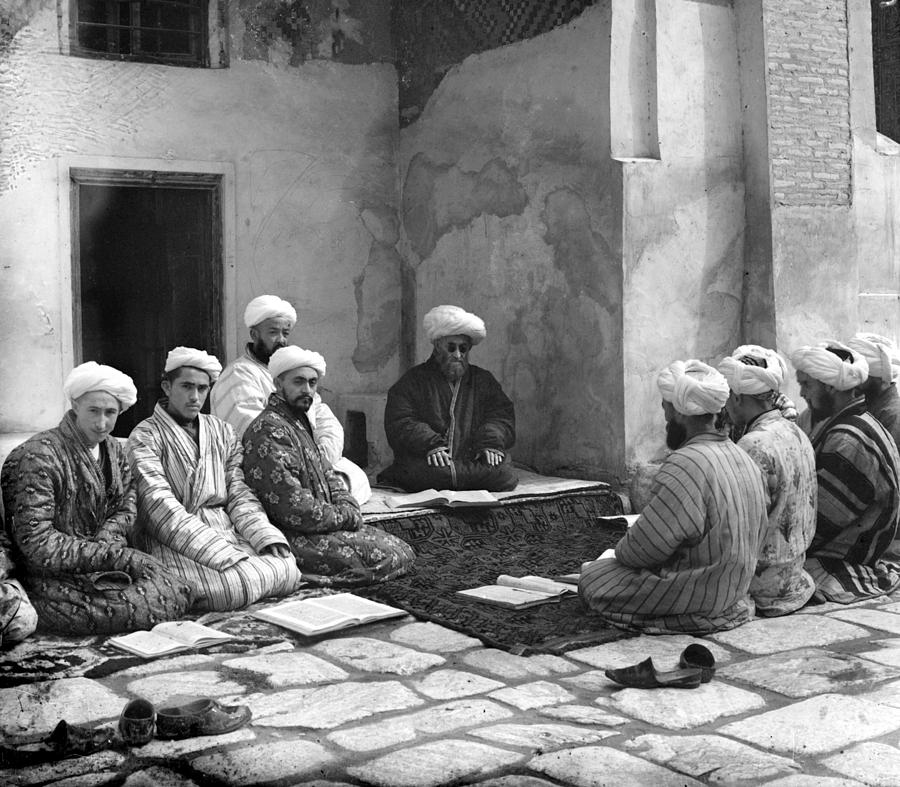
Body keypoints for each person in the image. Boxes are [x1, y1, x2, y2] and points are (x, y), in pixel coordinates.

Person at [0, 362, 192, 634]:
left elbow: (126, 505)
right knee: (133, 605)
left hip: (103, 558)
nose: (102, 423)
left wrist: (107, 543)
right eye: (93, 411)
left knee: (171, 585)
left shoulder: (113, 449)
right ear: (75, 405)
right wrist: (110, 556)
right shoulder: (37, 456)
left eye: (110, 413)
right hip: (50, 574)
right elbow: (37, 542)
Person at [579, 360, 767, 634]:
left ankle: (683, 616)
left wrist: (616, 556)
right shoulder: (741, 454)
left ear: (680, 413)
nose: (664, 416)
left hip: (701, 591)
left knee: (594, 578)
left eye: (666, 407)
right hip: (735, 587)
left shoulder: (685, 462)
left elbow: (641, 550)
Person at [127, 347, 301, 612]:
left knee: (287, 566)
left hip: (225, 528)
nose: (195, 397)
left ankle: (244, 567)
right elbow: (157, 505)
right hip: (174, 538)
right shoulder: (145, 436)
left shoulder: (222, 431)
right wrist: (214, 550)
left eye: (203, 388)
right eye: (186, 386)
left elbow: (239, 491)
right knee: (231, 587)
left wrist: (263, 535)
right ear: (167, 386)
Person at [243, 346, 415, 586]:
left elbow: (328, 474)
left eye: (313, 383)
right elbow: (292, 507)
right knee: (388, 556)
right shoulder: (268, 430)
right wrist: (345, 516)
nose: (307, 390)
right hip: (294, 534)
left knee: (402, 550)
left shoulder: (297, 422)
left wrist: (347, 506)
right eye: (299, 382)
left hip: (322, 524)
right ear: (278, 383)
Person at [211, 295, 370, 504]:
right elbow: (254, 434)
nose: (281, 340)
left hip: (308, 460)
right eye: (273, 332)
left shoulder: (291, 371)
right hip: (266, 464)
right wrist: (303, 460)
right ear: (254, 334)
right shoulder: (239, 374)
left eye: (285, 333)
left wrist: (321, 457)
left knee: (356, 477)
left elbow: (325, 419)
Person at [792, 342, 900, 602]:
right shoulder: (849, 423)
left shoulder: (849, 440)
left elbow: (821, 522)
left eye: (807, 384)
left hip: (845, 555)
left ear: (830, 386)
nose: (802, 393)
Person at [719, 345, 817, 616]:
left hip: (760, 585)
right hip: (795, 574)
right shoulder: (796, 432)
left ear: (737, 398)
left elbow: (738, 528)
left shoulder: (753, 444)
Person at [379, 305, 517, 492]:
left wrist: (490, 441)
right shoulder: (413, 380)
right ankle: (462, 478)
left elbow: (501, 415)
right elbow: (400, 420)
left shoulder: (483, 380)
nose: (458, 355)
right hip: (430, 459)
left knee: (504, 474)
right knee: (423, 473)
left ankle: (455, 476)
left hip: (472, 457)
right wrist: (430, 443)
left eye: (463, 349)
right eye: (451, 348)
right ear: (437, 346)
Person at [846, 332, 900, 448]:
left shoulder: (893, 416)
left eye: (860, 374)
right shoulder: (866, 405)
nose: (854, 379)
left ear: (877, 376)